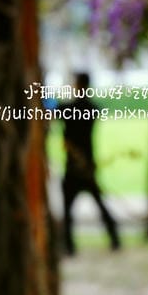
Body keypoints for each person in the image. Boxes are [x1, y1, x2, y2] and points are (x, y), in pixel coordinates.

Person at [56, 72, 121, 255]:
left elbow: (52, 110)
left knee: (68, 211)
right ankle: (114, 239)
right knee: (99, 205)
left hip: (73, 166)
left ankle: (69, 246)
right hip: (88, 165)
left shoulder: (69, 109)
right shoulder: (92, 108)